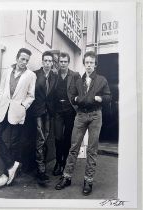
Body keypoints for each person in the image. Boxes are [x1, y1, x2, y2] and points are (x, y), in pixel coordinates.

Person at [55, 51, 111, 195]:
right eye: (87, 62)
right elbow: (72, 96)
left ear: (95, 64)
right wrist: (77, 100)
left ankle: (88, 181)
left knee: (92, 149)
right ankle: (66, 177)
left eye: (91, 63)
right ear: (84, 64)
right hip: (80, 115)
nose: (89, 65)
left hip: (95, 116)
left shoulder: (102, 80)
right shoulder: (78, 80)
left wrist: (100, 99)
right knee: (74, 147)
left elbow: (108, 96)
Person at [0, 48, 36, 189]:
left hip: (17, 112)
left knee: (13, 142)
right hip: (2, 109)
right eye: (22, 59)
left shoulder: (30, 75)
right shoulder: (7, 71)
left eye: (26, 60)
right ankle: (12, 165)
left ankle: (6, 175)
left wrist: (23, 106)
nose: (24, 62)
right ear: (17, 58)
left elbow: (31, 96)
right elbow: (1, 89)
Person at [29, 51, 57, 185]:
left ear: (52, 63)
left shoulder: (54, 76)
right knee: (40, 139)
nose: (47, 63)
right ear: (42, 62)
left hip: (48, 112)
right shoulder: (35, 74)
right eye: (45, 60)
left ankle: (40, 166)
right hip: (38, 111)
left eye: (49, 61)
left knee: (45, 138)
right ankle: (41, 169)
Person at [53, 52, 80, 176]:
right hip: (58, 110)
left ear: (68, 63)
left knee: (67, 137)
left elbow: (80, 92)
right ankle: (58, 163)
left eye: (65, 61)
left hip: (70, 111)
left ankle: (64, 162)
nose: (63, 64)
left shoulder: (75, 75)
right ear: (58, 63)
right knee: (58, 137)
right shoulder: (55, 75)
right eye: (61, 61)